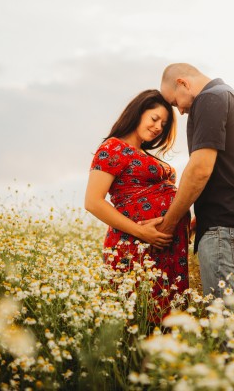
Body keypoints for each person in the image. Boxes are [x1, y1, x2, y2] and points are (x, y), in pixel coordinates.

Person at [156, 63, 234, 324]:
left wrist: (169, 224)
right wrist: (197, 219)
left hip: (225, 228)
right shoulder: (232, 98)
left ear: (183, 83)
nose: (180, 111)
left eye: (175, 102)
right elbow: (230, 170)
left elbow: (200, 169)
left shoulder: (209, 99)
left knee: (226, 326)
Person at [84, 89, 190, 324]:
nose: (158, 127)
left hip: (165, 248)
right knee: (136, 320)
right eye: (154, 119)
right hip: (135, 246)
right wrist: (142, 232)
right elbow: (93, 201)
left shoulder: (145, 154)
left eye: (163, 124)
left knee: (167, 321)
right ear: (137, 113)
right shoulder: (113, 148)